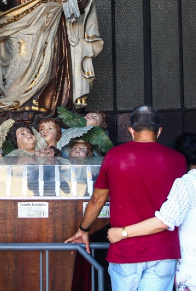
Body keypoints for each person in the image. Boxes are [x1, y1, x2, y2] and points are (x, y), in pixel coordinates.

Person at [65, 105, 186, 291]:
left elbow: (98, 200)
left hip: (126, 250)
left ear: (130, 130)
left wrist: (84, 229)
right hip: (163, 250)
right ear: (159, 131)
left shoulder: (115, 156)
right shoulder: (178, 159)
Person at [107, 133, 196, 291]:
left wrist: (122, 233)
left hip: (195, 267)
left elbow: (164, 221)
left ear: (180, 157)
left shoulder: (186, 183)